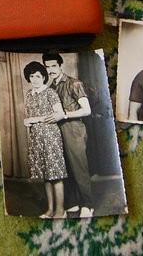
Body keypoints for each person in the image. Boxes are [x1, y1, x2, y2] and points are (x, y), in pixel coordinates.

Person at [42, 53, 94, 218]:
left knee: (79, 168)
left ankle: (88, 205)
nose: (50, 70)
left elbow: (87, 110)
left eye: (53, 66)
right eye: (47, 67)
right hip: (57, 131)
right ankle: (74, 202)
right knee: (65, 168)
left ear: (60, 65)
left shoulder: (74, 83)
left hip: (74, 129)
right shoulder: (50, 87)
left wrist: (64, 115)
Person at [22, 61, 67, 219]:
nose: (35, 79)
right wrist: (28, 121)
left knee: (56, 174)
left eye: (38, 76)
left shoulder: (50, 93)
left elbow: (59, 114)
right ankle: (50, 209)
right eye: (32, 76)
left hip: (50, 136)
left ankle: (61, 210)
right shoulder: (29, 94)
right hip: (36, 137)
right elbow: (29, 115)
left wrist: (35, 119)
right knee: (46, 175)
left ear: (43, 77)